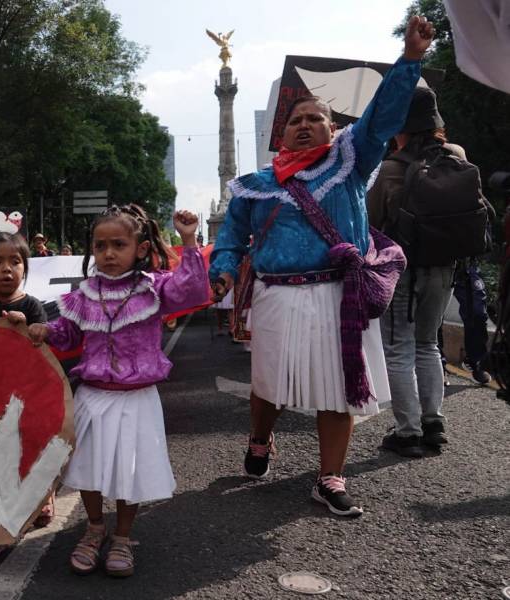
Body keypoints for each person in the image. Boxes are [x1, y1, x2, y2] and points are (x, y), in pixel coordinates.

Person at [209, 15, 435, 516]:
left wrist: (410, 60)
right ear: (281, 134)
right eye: (296, 120)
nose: (306, 124)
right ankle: (260, 442)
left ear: (334, 130)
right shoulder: (254, 184)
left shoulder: (352, 163)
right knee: (269, 385)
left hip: (340, 296)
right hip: (276, 294)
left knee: (338, 388)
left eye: (316, 118)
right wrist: (222, 268)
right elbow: (230, 237)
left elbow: (382, 115)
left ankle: (330, 477)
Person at [27, 205, 208, 577]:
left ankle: (123, 537)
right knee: (88, 469)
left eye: (119, 245)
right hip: (92, 396)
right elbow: (69, 333)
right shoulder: (84, 294)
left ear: (140, 249)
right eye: (100, 245)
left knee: (130, 472)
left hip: (137, 399)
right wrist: (43, 330)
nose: (108, 253)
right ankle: (94, 529)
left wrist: (188, 239)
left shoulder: (154, 289)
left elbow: (190, 290)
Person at [368, 87, 492, 457]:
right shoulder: (458, 156)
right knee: (429, 344)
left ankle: (407, 431)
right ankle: (433, 421)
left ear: (399, 127)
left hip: (403, 269)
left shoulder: (389, 168)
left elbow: (373, 223)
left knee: (399, 347)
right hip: (445, 266)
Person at [0, 231, 49, 562]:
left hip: (25, 400)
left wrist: (27, 327)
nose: (6, 269)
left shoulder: (32, 306)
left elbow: (44, 347)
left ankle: (43, 497)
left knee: (27, 455)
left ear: (25, 268)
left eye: (15, 262)